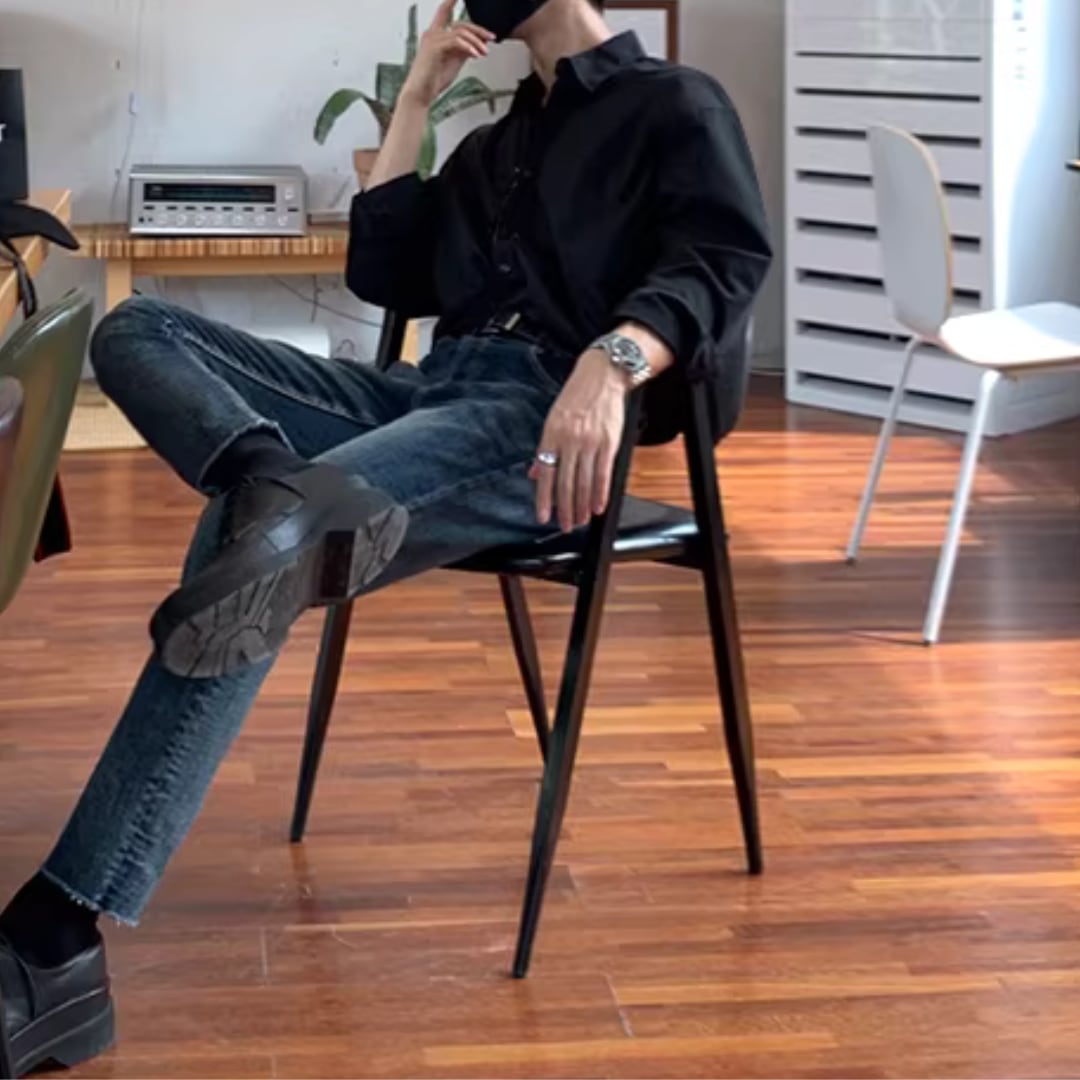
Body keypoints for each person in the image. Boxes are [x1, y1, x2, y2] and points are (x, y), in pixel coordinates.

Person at [0, 0, 772, 1072]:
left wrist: (615, 362)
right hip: (423, 395)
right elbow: (387, 271)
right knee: (140, 327)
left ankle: (55, 941)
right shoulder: (502, 140)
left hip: (536, 420)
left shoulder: (677, 104)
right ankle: (275, 481)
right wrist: (414, 99)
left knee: (258, 550)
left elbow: (723, 258)